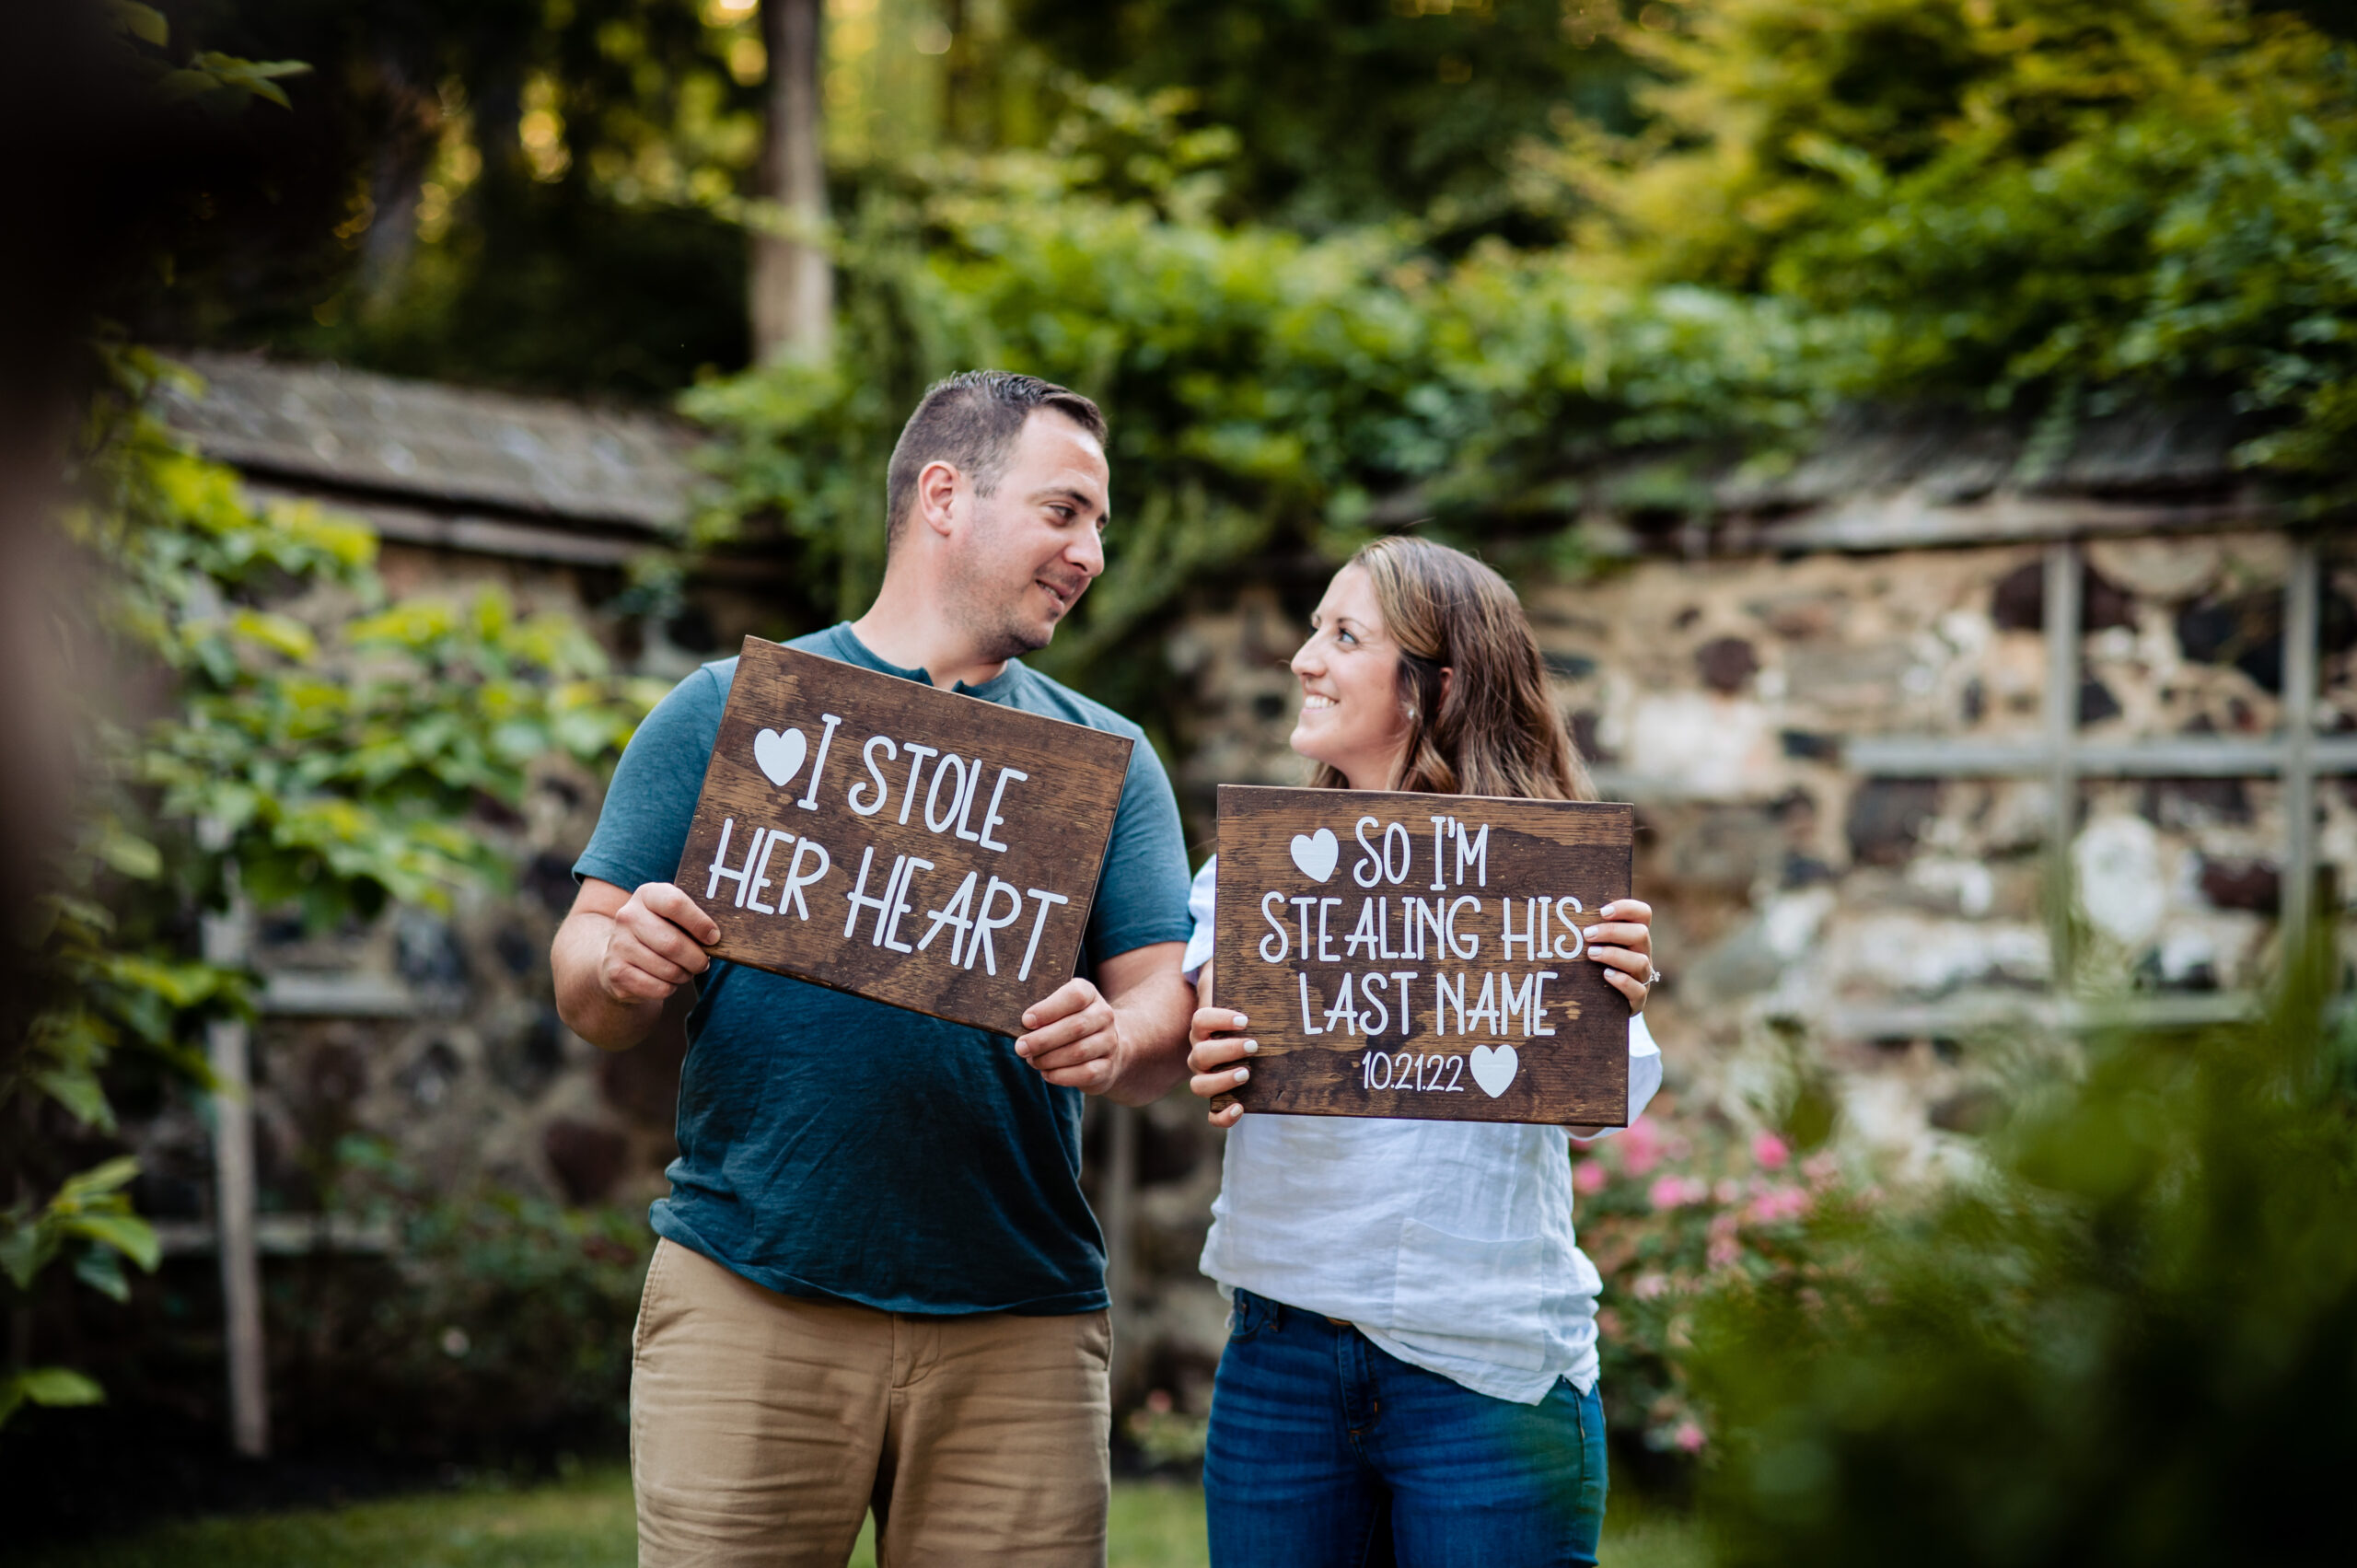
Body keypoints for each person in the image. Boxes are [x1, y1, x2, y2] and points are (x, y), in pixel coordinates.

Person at [552, 371, 1197, 1568]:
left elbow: (1163, 1000)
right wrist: (621, 953)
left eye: (1099, 523)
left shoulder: (1107, 755)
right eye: (1066, 511)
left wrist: (1118, 1036)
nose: (1093, 552)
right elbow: (583, 976)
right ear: (945, 494)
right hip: (752, 1290)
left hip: (1020, 1318)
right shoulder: (728, 708)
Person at [1182, 536, 1663, 1568]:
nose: (1305, 658)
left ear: (1433, 689)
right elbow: (1215, 1043)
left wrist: (1611, 995)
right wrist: (1213, 1045)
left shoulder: (1544, 877)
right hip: (1283, 1354)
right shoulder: (1254, 874)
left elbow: (1596, 1101)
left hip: (1483, 1368)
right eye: (1315, 629)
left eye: (1344, 635)